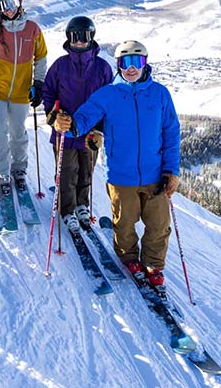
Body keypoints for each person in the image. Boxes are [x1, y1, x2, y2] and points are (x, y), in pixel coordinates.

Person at [51, 40, 180, 291]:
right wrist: (67, 125)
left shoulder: (160, 94)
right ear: (118, 65)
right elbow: (84, 118)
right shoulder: (107, 94)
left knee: (159, 226)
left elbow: (171, 133)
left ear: (145, 63)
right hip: (122, 176)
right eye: (125, 63)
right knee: (124, 223)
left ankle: (153, 265)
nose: (131, 68)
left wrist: (171, 170)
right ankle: (129, 258)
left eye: (137, 62)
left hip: (155, 174)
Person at [42, 16, 113, 231]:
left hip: (90, 131)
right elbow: (48, 93)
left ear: (91, 37)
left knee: (86, 169)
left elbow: (109, 100)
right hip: (64, 129)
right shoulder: (60, 66)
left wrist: (100, 130)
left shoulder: (102, 68)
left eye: (84, 36)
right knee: (67, 170)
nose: (79, 41)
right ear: (68, 38)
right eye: (74, 36)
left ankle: (82, 204)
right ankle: (67, 208)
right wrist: (53, 117)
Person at [0, 0, 47, 196]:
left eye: (13, 4)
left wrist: (39, 83)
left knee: (18, 133)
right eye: (4, 5)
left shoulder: (32, 29)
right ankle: (2, 172)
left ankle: (19, 170)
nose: (9, 9)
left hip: (21, 91)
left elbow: (41, 57)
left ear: (20, 3)